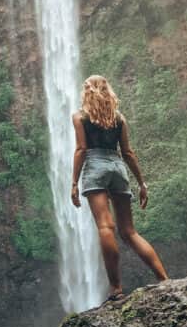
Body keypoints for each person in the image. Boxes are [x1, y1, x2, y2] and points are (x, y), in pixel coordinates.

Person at [70, 75, 168, 300]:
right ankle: (164, 278)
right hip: (118, 167)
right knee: (129, 232)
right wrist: (142, 183)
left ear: (87, 92)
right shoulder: (119, 119)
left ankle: (116, 289)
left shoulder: (79, 117)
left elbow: (81, 150)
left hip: (94, 166)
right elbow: (128, 153)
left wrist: (74, 183)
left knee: (105, 227)